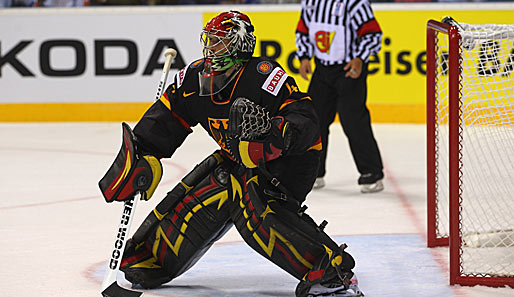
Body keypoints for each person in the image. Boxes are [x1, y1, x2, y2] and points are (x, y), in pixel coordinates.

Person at [99, 10, 363, 297]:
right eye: (210, 41)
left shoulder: (264, 76)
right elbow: (167, 118)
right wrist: (144, 153)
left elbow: (307, 120)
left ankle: (329, 269)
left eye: (221, 42)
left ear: (240, 45)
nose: (213, 49)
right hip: (240, 158)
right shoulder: (192, 79)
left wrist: (273, 135)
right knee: (218, 180)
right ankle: (152, 257)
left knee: (248, 196)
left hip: (291, 162)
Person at [295, 0, 385, 193]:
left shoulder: (355, 4)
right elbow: (303, 29)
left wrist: (360, 58)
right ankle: (314, 172)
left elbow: (372, 34)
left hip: (349, 70)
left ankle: (372, 173)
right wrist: (304, 56)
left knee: (353, 121)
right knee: (314, 121)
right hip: (322, 69)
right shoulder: (311, 2)